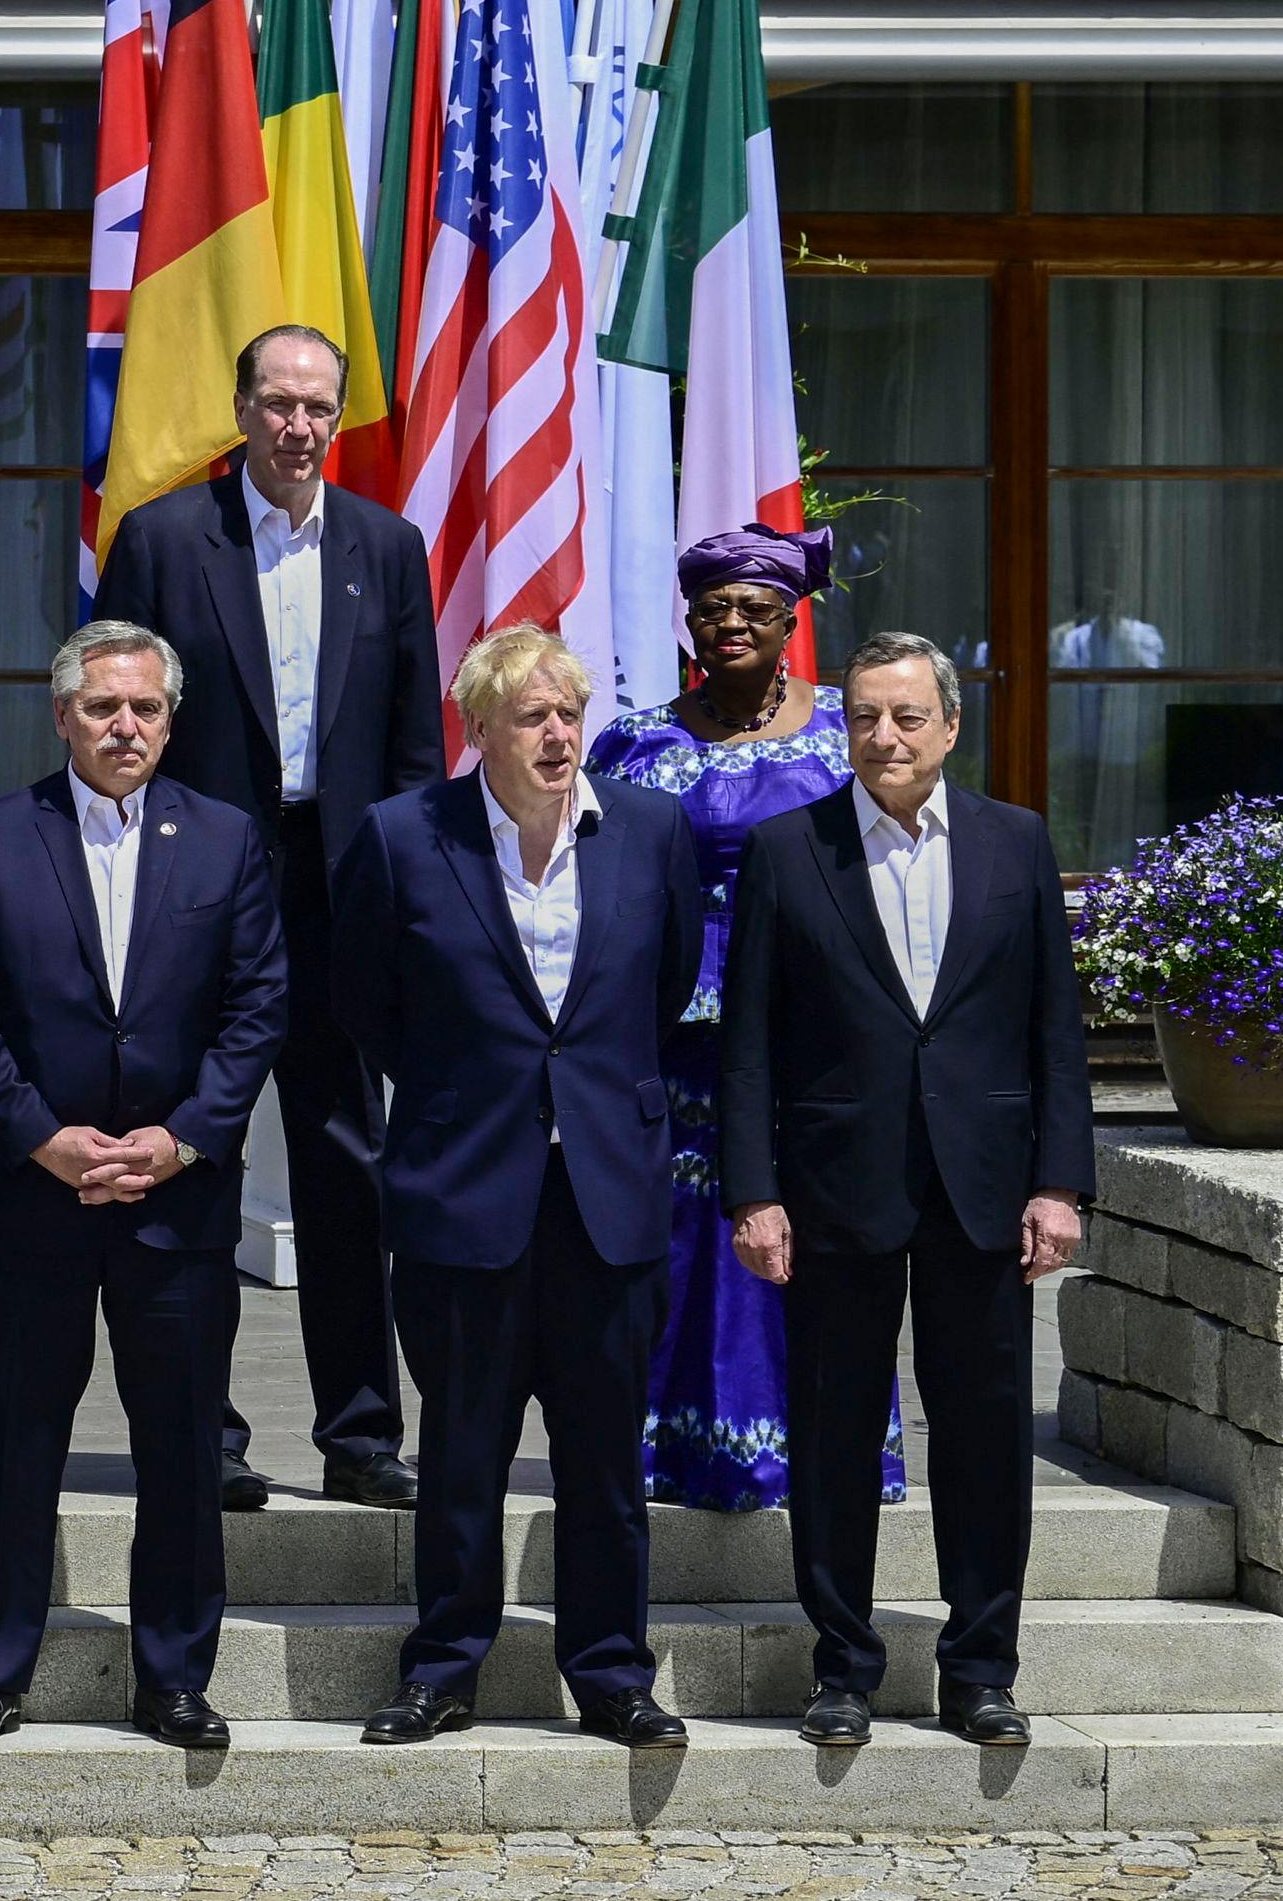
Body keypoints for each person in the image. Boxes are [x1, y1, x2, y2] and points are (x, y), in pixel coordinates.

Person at [0, 620, 287, 1752]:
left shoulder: (225, 840)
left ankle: (172, 1676)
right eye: (102, 707)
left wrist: (181, 1140)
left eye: (145, 709)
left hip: (175, 1201)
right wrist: (39, 1136)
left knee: (178, 1449)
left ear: (170, 721)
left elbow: (258, 1006)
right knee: (16, 1436)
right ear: (62, 714)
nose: (124, 727)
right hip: (33, 1197)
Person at [88, 324, 440, 1513]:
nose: (297, 427)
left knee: (351, 1164)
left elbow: (410, 744)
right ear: (239, 409)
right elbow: (119, 717)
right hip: (207, 890)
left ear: (337, 419)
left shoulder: (387, 549)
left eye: (317, 407)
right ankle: (206, 1432)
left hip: (344, 890)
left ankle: (359, 1434)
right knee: (200, 1162)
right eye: (277, 403)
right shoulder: (164, 538)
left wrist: (416, 896)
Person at [723, 631, 1097, 1749]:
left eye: (904, 716)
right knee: (834, 1435)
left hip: (983, 1194)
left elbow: (1054, 1035)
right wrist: (754, 1192)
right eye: (863, 717)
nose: (882, 737)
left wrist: (1058, 1183)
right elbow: (749, 1042)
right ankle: (841, 1667)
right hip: (834, 1193)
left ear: (948, 725)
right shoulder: (791, 850)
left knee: (984, 1440)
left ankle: (980, 1667)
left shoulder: (1013, 843)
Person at [337, 623, 701, 1749]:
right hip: (464, 1192)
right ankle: (443, 1667)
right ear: (478, 728)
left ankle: (609, 1675)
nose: (556, 734)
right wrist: (465, 1101)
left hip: (608, 1197)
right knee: (460, 1454)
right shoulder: (404, 837)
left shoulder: (647, 830)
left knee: (602, 1464)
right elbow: (365, 1001)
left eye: (568, 713)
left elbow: (669, 981)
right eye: (531, 716)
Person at [587, 523, 891, 1512]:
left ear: (790, 620)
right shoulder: (635, 743)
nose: (729, 624)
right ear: (688, 620)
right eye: (712, 608)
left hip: (813, 1032)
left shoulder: (847, 729)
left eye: (752, 609)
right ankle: (663, 1448)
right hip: (672, 1033)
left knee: (812, 1235)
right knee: (679, 1238)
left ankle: (829, 1447)